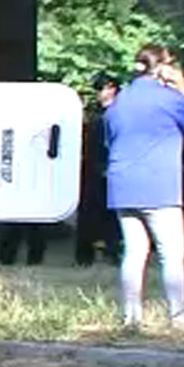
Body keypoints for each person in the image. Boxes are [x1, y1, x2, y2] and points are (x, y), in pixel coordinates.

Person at [104, 44, 184, 329]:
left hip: (123, 187)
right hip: (159, 186)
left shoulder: (119, 101)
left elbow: (109, 140)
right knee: (171, 253)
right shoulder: (168, 98)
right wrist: (182, 86)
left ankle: (131, 317)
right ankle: (178, 317)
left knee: (134, 252)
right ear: (161, 66)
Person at [74, 73, 122, 266]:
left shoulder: (118, 114)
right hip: (92, 168)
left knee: (110, 215)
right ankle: (86, 253)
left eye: (102, 88)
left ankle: (111, 250)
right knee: (90, 213)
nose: (99, 93)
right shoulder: (95, 114)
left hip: (109, 167)